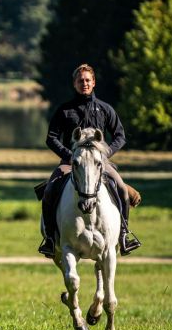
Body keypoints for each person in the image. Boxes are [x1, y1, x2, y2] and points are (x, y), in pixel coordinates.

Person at [38, 63, 142, 257]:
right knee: (50, 190)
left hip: (100, 163)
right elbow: (51, 138)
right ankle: (51, 239)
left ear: (93, 82)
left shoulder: (105, 109)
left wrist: (105, 154)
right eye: (80, 81)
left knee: (121, 189)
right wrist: (70, 156)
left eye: (87, 80)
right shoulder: (65, 110)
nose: (84, 83)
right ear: (74, 84)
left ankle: (124, 235)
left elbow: (120, 135)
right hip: (71, 164)